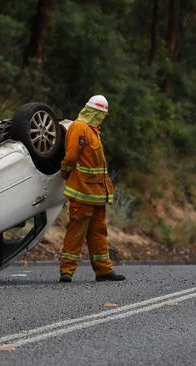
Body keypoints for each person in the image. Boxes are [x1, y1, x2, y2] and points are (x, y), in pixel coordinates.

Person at [58, 95, 125, 283]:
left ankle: (103, 270)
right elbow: (71, 157)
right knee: (76, 231)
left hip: (96, 194)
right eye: (100, 114)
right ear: (92, 112)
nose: (101, 118)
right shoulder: (79, 128)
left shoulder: (93, 131)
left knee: (98, 232)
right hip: (82, 192)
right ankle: (67, 271)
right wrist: (65, 172)